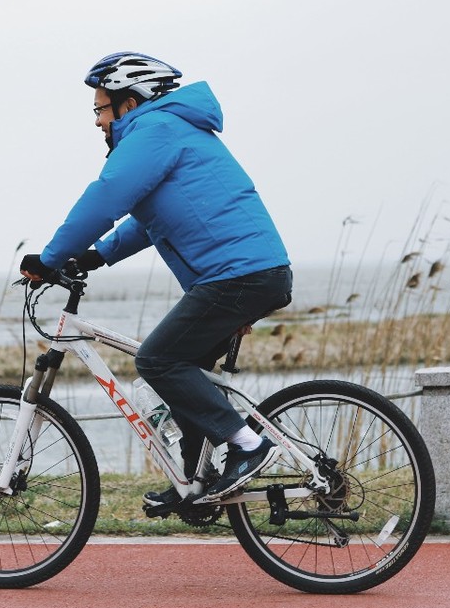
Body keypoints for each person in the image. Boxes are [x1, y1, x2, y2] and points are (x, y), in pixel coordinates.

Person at [19, 51, 293, 506]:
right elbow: (150, 220)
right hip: (250, 273)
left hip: (239, 276)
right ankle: (194, 480)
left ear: (130, 102)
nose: (96, 120)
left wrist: (50, 258)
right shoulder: (170, 130)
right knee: (183, 376)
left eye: (100, 108)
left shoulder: (154, 130)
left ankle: (248, 445)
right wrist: (95, 256)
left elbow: (106, 197)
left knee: (157, 361)